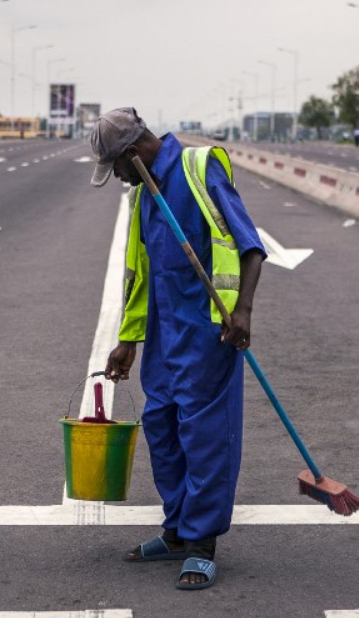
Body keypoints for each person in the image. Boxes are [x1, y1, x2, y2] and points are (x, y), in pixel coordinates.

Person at [89, 107, 266, 591]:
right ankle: (175, 531)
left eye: (119, 169)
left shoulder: (199, 168)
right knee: (163, 429)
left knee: (205, 437)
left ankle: (202, 542)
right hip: (166, 338)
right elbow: (144, 273)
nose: (121, 180)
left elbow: (250, 246)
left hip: (210, 333)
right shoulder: (145, 194)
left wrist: (244, 311)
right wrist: (128, 340)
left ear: (131, 154)